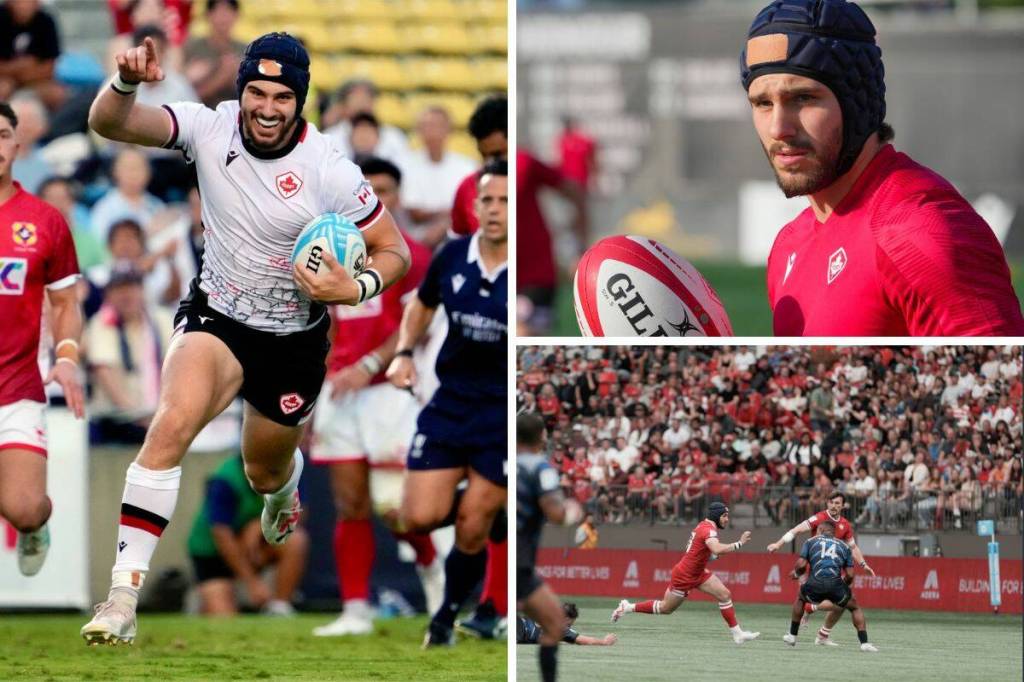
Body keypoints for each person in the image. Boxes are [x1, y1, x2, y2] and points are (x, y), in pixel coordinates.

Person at [80, 32, 410, 645]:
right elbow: (109, 124)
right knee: (170, 425)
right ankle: (122, 597)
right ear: (241, 93)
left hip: (293, 340)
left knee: (262, 472)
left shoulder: (330, 169)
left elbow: (397, 251)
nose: (265, 106)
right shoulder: (209, 128)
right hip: (219, 318)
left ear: (299, 101)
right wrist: (125, 82)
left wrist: (357, 288)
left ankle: (283, 489)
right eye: (255, 92)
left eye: (280, 96)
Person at [741, 0, 1024, 335]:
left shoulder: (921, 232)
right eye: (762, 103)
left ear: (857, 103)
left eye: (803, 98)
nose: (778, 128)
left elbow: (1003, 385)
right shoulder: (789, 244)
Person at [309, 156, 442, 637]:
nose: (377, 200)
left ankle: (433, 574)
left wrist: (368, 366)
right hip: (338, 391)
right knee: (350, 504)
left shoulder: (413, 257)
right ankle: (355, 611)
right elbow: (319, 323)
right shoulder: (326, 249)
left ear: (398, 198)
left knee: (396, 508)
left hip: (388, 392)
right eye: (370, 191)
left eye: (386, 191)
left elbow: (416, 328)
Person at [386, 160, 507, 647]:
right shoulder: (453, 255)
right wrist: (402, 353)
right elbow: (422, 304)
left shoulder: (528, 277)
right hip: (451, 404)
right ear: (474, 208)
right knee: (414, 518)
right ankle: (482, 499)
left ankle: (445, 618)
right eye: (488, 201)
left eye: (505, 202)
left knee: (472, 527)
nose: (495, 210)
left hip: (501, 416)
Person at [0, 101, 84, 576]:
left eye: (1, 134)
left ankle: (37, 525)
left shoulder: (45, 221)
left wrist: (67, 356)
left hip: (16, 388)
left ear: (16, 143)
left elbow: (67, 303)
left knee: (26, 508)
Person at [610, 501, 760, 644]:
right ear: (716, 515)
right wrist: (739, 543)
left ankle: (738, 634)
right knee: (666, 608)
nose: (727, 520)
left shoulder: (704, 526)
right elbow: (716, 549)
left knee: (724, 594)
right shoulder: (708, 529)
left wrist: (713, 555)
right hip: (685, 575)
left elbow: (707, 552)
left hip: (697, 572)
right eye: (724, 516)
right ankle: (628, 607)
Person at [187, 453, 309, 616]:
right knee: (223, 618)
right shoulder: (225, 479)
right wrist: (252, 583)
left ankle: (280, 608)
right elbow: (221, 534)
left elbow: (298, 513)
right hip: (212, 555)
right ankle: (205, 600)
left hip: (254, 548)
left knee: (295, 539)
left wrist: (259, 525)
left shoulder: (287, 470)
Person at [516, 413, 583, 682]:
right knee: (555, 624)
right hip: (520, 561)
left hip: (501, 552)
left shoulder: (504, 463)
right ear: (541, 436)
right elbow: (555, 513)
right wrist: (571, 512)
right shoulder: (539, 468)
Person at [85, 262, 174, 444]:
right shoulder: (101, 322)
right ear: (108, 294)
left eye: (132, 287)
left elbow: (177, 368)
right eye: (119, 288)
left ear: (142, 289)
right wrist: (142, 419)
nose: (126, 294)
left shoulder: (162, 320)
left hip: (161, 420)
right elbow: (105, 373)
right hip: (117, 423)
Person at [766, 491, 874, 639]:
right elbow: (796, 530)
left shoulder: (845, 525)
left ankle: (819, 627)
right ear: (827, 503)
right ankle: (797, 629)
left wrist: (863, 564)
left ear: (843, 506)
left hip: (833, 571)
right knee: (808, 600)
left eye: (837, 503)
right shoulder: (819, 518)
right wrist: (778, 544)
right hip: (812, 569)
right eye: (831, 502)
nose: (834, 506)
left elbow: (853, 547)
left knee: (842, 603)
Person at [516, 147, 587, 336]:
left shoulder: (523, 161)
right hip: (501, 276)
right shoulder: (478, 174)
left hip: (535, 276)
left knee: (523, 336)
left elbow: (573, 191)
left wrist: (578, 248)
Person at [782, 520, 878, 652]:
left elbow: (801, 565)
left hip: (814, 584)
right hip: (836, 586)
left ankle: (792, 636)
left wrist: (797, 573)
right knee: (854, 607)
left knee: (800, 598)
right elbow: (850, 575)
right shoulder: (844, 547)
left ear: (820, 529)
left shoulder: (810, 542)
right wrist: (843, 587)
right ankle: (865, 643)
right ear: (834, 532)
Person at [449, 95, 507, 238]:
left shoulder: (525, 183)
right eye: (484, 155)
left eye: (498, 154)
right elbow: (459, 245)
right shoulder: (467, 187)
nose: (490, 162)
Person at [182, 0, 244, 110]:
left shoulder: (245, 50)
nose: (223, 18)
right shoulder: (193, 48)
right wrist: (221, 77)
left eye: (228, 11)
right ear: (208, 15)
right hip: (199, 115)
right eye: (218, 11)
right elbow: (182, 94)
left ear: (236, 15)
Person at [517, 603, 617, 647]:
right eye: (569, 624)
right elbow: (583, 640)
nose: (569, 627)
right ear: (566, 619)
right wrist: (604, 642)